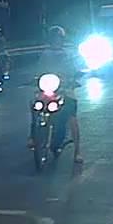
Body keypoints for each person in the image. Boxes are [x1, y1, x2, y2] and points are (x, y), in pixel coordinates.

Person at [30, 25, 83, 163]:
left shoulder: (69, 53)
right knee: (35, 105)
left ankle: (77, 151)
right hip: (48, 88)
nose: (56, 40)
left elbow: (76, 69)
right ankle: (33, 135)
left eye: (58, 38)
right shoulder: (45, 54)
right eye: (54, 38)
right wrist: (34, 80)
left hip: (64, 89)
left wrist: (73, 79)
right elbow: (39, 70)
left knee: (72, 116)